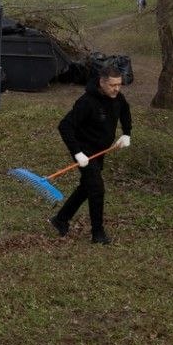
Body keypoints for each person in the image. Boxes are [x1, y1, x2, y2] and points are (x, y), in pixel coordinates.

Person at [49, 63, 132, 245]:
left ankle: (61, 219)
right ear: (102, 82)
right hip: (84, 151)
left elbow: (125, 110)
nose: (117, 88)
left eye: (119, 84)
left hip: (100, 151)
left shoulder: (118, 98)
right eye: (113, 85)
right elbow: (65, 126)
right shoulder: (87, 102)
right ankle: (98, 233)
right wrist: (77, 153)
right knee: (96, 189)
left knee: (86, 187)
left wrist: (126, 133)